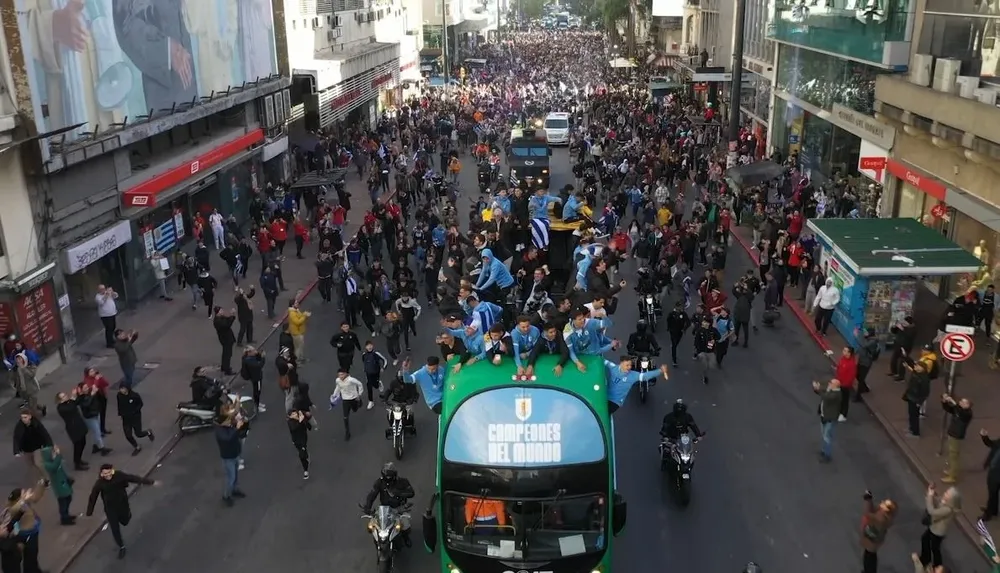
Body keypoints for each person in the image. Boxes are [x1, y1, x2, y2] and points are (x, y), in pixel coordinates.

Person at [85, 463, 158, 559]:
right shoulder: (99, 483)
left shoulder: (119, 475)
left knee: (125, 521)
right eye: (105, 473)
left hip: (122, 504)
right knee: (115, 529)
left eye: (109, 472)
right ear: (101, 474)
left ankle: (127, 516)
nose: (108, 475)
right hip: (110, 509)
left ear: (112, 471)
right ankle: (121, 547)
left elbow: (133, 478)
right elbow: (93, 497)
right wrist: (89, 511)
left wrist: (150, 482)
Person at [361, 462, 416, 547]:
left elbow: (411, 493)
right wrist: (367, 507)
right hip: (384, 510)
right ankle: (377, 541)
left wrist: (398, 493)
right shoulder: (379, 482)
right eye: (386, 476)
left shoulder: (403, 481)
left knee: (405, 525)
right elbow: (372, 495)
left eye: (390, 476)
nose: (388, 478)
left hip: (399, 508)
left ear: (394, 475)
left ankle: (406, 538)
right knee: (372, 526)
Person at [4, 478, 47, 571]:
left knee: (33, 554)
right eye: (23, 493)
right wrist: (23, 500)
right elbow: (16, 510)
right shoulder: (13, 508)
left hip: (32, 532)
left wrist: (41, 485)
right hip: (26, 534)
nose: (26, 493)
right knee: (30, 555)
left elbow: (35, 497)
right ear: (18, 498)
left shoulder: (23, 502)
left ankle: (35, 569)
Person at [13, 408, 54, 481]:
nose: (23, 419)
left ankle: (47, 478)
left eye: (25, 417)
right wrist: (16, 451)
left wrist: (50, 444)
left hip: (36, 447)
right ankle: (40, 478)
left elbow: (44, 433)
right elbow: (16, 438)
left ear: (30, 416)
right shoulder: (19, 426)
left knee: (38, 463)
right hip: (26, 449)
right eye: (22, 417)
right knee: (31, 466)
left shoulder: (36, 423)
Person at [860, 490, 896, 573]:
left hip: (872, 539)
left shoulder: (881, 518)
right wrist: (869, 501)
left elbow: (868, 513)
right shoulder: (884, 516)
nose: (882, 503)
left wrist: (868, 500)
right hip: (874, 539)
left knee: (869, 558)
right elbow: (872, 511)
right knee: (870, 555)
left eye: (884, 504)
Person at [40, 445, 75, 525]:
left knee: (68, 498)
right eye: (52, 452)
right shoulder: (47, 464)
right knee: (63, 502)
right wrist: (58, 456)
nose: (54, 454)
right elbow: (54, 467)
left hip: (64, 482)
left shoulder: (55, 460)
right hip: (58, 486)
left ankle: (67, 514)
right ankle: (64, 518)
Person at [116, 385, 155, 456]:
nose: (121, 390)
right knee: (128, 435)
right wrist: (121, 414)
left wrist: (135, 411)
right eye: (120, 389)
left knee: (138, 434)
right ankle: (137, 447)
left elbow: (140, 404)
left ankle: (148, 432)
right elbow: (119, 405)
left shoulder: (134, 395)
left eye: (123, 388)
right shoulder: (119, 396)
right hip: (126, 419)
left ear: (127, 388)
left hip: (135, 418)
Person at [331, 369, 365, 440]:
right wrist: (334, 395)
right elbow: (338, 387)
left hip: (353, 398)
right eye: (339, 375)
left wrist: (359, 394)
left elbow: (360, 384)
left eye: (342, 374)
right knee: (345, 417)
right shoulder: (338, 380)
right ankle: (347, 433)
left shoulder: (351, 380)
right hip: (345, 400)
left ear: (346, 374)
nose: (340, 376)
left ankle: (359, 402)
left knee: (355, 409)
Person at [287, 409, 313, 480]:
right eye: (292, 415)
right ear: (290, 416)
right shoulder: (290, 422)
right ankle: (306, 454)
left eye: (295, 413)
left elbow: (309, 427)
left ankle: (305, 471)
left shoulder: (301, 418)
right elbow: (294, 428)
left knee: (301, 455)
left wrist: (304, 420)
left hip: (303, 439)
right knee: (302, 451)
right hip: (296, 440)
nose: (295, 415)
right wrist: (300, 421)